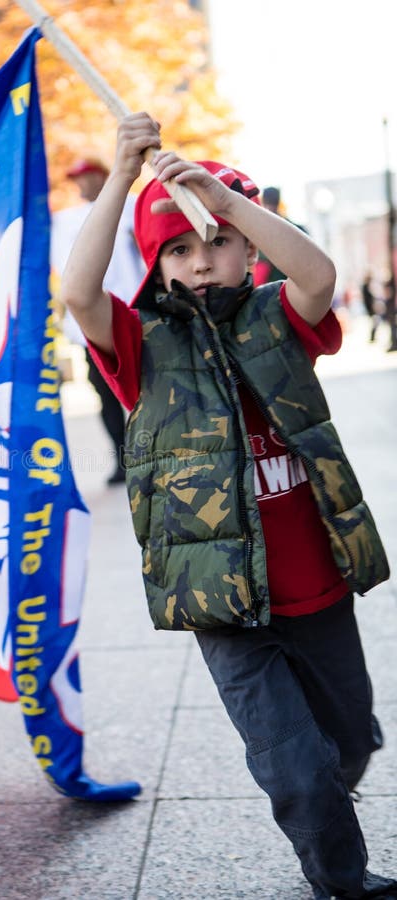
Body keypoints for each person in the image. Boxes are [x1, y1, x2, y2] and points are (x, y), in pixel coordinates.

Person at [60, 112, 395, 900]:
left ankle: (331, 785)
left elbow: (318, 278)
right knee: (299, 767)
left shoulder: (280, 316)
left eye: (215, 240)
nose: (201, 261)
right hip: (225, 606)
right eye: (178, 248)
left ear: (247, 247)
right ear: (155, 265)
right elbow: (77, 291)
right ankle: (339, 878)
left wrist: (229, 200)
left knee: (351, 739)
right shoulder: (141, 346)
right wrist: (120, 174)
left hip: (319, 587)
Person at [51, 157, 146, 485]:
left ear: (103, 175)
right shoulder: (63, 221)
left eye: (87, 176)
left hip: (135, 314)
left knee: (146, 388)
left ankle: (153, 451)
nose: (82, 184)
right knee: (105, 394)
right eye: (77, 179)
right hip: (89, 324)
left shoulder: (132, 206)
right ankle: (123, 459)